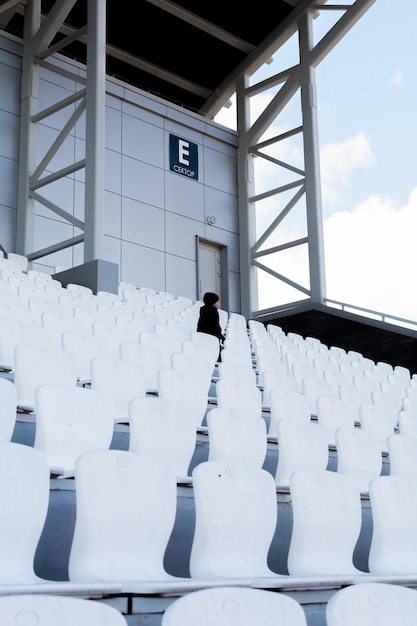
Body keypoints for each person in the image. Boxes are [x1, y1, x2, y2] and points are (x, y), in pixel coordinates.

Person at [196, 292, 225, 361]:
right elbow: (215, 325)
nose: (219, 304)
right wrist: (220, 336)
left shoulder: (203, 311)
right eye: (217, 301)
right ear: (213, 302)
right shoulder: (213, 311)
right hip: (212, 338)